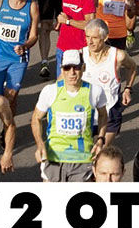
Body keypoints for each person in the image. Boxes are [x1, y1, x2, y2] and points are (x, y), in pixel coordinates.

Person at [31, 48, 107, 182]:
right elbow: (36, 118)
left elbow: (103, 115)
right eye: (67, 68)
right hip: (54, 158)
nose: (72, 73)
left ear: (83, 68)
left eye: (76, 67)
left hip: (82, 159)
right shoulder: (50, 91)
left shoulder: (95, 91)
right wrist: (40, 144)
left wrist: (100, 139)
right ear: (62, 69)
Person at [83, 17, 137, 145]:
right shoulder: (80, 55)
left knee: (101, 152)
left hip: (110, 112)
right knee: (87, 154)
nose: (89, 42)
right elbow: (63, 80)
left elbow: (132, 67)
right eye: (87, 37)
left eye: (94, 38)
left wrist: (128, 89)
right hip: (86, 113)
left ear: (105, 38)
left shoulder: (118, 55)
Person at [55, 0, 96, 76]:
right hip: (62, 46)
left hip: (78, 48)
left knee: (77, 86)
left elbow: (90, 24)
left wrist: (68, 21)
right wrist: (61, 21)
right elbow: (68, 13)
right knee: (61, 85)